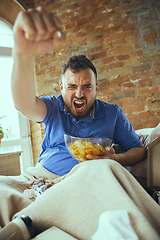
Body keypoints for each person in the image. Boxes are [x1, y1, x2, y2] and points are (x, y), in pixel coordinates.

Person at [0, 7, 160, 240]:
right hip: (37, 178)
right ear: (62, 87)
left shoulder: (112, 113)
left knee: (103, 168)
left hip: (80, 181)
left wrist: (114, 158)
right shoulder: (53, 107)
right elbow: (23, 103)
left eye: (86, 86)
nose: (79, 94)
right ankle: (32, 214)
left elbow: (139, 149)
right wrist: (24, 55)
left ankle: (27, 221)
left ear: (96, 88)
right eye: (73, 86)